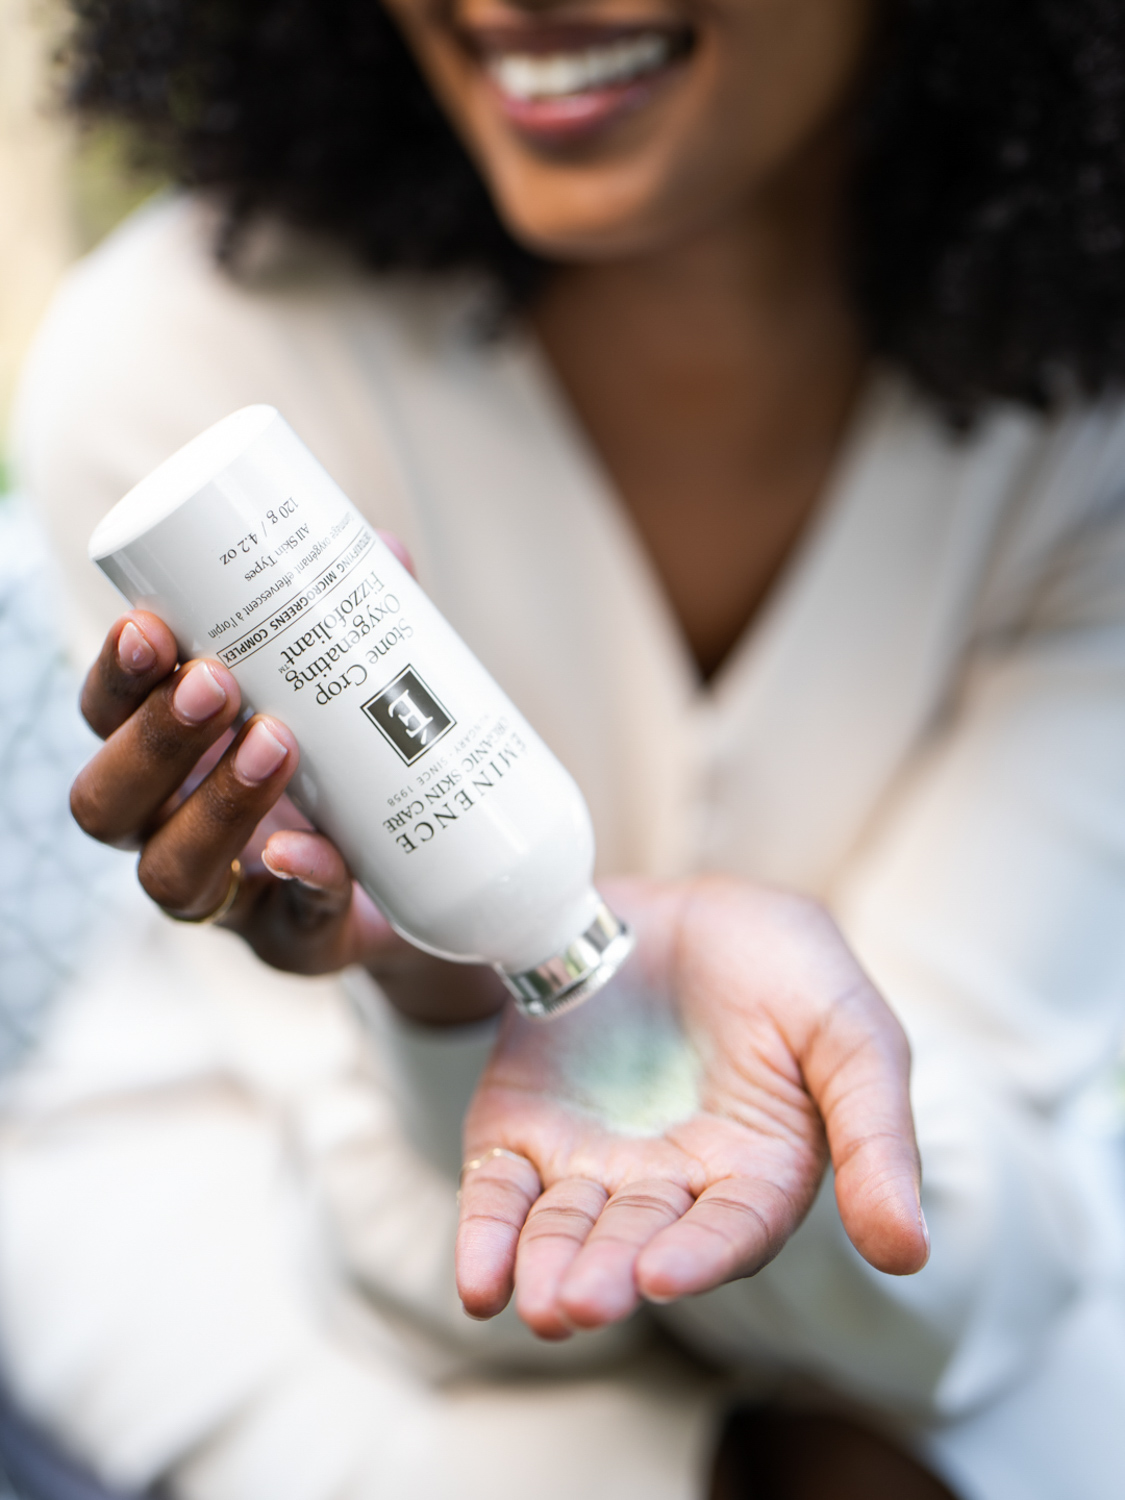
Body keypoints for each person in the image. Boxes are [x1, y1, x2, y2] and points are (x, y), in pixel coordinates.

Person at [3, 0, 1125, 1495]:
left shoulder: (1088, 419)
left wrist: (767, 1138)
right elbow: (419, 1276)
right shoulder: (194, 367)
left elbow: (974, 1265)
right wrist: (446, 987)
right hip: (248, 1226)